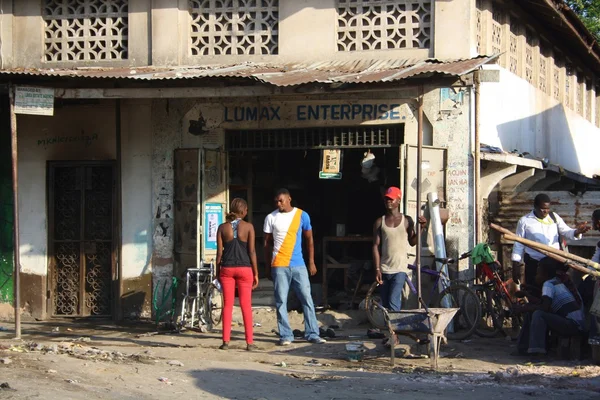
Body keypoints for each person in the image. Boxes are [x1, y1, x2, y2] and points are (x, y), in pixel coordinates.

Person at [263, 188, 325, 346]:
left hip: (299, 264)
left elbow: (310, 239)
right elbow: (266, 244)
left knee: (307, 298)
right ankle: (285, 335)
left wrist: (311, 261)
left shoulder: (302, 215)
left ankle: (312, 333)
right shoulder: (270, 217)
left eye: (281, 200)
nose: (279, 204)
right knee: (281, 301)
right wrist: (267, 266)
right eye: (276, 201)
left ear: (289, 199)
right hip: (279, 265)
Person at [511, 193, 590, 287]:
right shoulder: (524, 221)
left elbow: (566, 231)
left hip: (553, 263)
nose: (546, 211)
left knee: (554, 292)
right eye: (543, 209)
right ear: (535, 207)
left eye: (548, 208)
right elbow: (518, 244)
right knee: (534, 292)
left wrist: (577, 232)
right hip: (534, 265)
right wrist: (515, 265)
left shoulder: (554, 217)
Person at [515, 257, 585, 356]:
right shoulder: (556, 282)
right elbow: (544, 303)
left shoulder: (548, 284)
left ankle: (537, 351)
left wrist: (524, 308)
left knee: (538, 314)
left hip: (573, 325)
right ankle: (523, 348)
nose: (536, 276)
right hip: (575, 324)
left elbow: (544, 308)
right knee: (533, 311)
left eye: (538, 273)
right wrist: (527, 295)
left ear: (545, 274)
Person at [372, 186, 426, 312]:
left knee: (393, 301)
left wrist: (422, 228)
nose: (388, 202)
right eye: (386, 199)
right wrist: (377, 268)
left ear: (398, 201)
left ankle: (393, 329)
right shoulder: (380, 222)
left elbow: (413, 242)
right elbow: (375, 246)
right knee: (385, 303)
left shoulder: (407, 221)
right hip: (384, 269)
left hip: (400, 269)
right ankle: (389, 329)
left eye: (391, 199)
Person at [216, 198, 259, 351]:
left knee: (227, 305)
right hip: (245, 269)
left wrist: (217, 273)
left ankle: (226, 342)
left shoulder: (222, 228)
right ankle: (249, 343)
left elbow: (219, 254)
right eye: (246, 210)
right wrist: (256, 273)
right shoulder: (249, 227)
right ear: (243, 211)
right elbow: (252, 251)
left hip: (227, 269)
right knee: (246, 306)